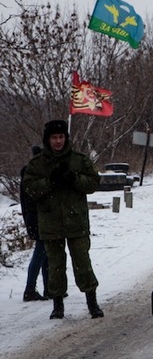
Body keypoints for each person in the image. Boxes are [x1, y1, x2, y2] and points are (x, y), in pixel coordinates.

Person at [22, 120, 103, 320]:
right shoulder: (38, 163)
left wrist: (73, 179)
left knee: (83, 263)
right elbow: (30, 189)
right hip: (50, 223)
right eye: (54, 138)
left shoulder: (78, 159)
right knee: (55, 266)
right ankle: (57, 304)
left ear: (66, 138)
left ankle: (92, 302)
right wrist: (51, 181)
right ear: (47, 139)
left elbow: (93, 182)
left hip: (76, 221)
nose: (58, 141)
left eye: (61, 137)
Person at [20, 145, 49, 302]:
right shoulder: (32, 174)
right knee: (41, 253)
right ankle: (30, 289)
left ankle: (48, 288)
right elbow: (35, 198)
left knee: (45, 254)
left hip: (35, 217)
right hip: (37, 218)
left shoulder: (30, 173)